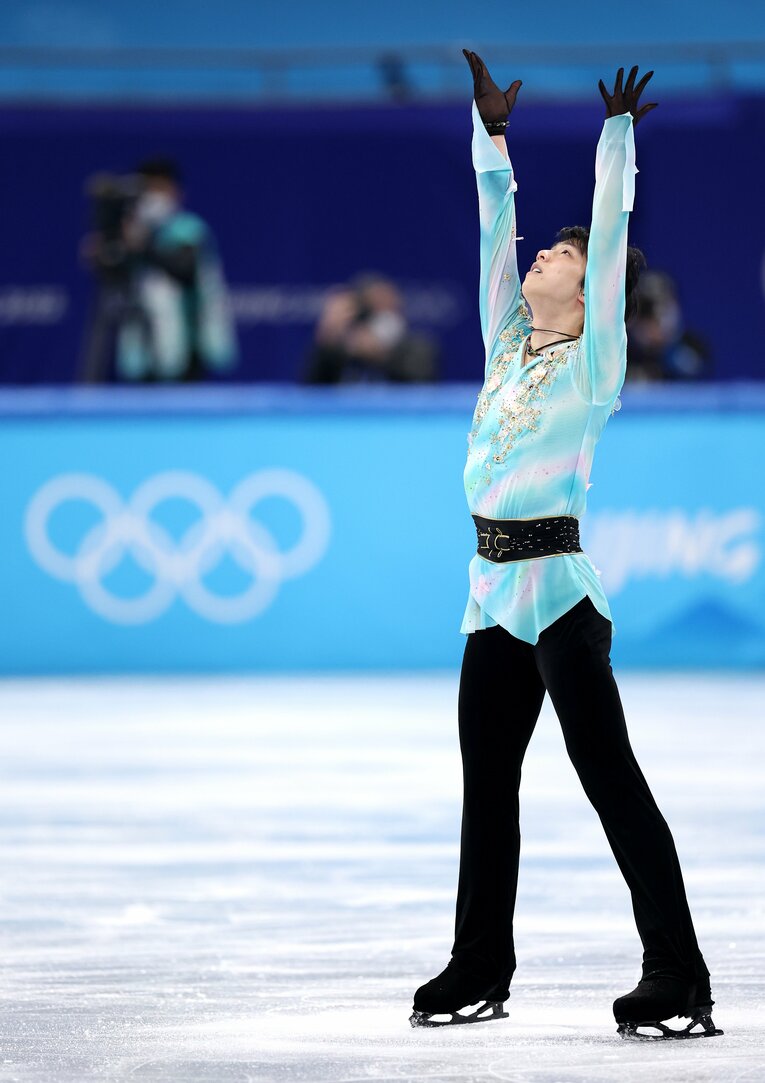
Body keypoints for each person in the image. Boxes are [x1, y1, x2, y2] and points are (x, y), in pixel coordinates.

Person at [409, 53, 722, 1042]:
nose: (542, 256)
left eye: (562, 257)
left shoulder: (596, 362)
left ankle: (678, 974)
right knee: (486, 784)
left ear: (591, 294)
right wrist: (490, 136)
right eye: (544, 253)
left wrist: (616, 143)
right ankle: (479, 963)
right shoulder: (508, 339)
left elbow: (615, 227)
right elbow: (494, 226)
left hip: (559, 595)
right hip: (488, 594)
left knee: (610, 779)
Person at [80, 157, 237, 383]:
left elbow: (184, 269)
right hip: (140, 345)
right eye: (148, 189)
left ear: (176, 191)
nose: (154, 197)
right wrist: (107, 252)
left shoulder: (189, 228)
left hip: (186, 346)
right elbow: (113, 275)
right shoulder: (129, 229)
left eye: (160, 188)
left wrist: (145, 243)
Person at [304, 273, 438, 384]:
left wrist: (381, 356)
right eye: (375, 310)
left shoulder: (419, 347)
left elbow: (421, 383)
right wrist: (327, 338)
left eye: (389, 307)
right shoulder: (339, 351)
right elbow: (311, 392)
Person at [627, 270, 712, 382]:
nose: (656, 320)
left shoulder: (693, 347)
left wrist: (666, 348)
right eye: (647, 312)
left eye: (663, 309)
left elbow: (695, 377)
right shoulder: (621, 353)